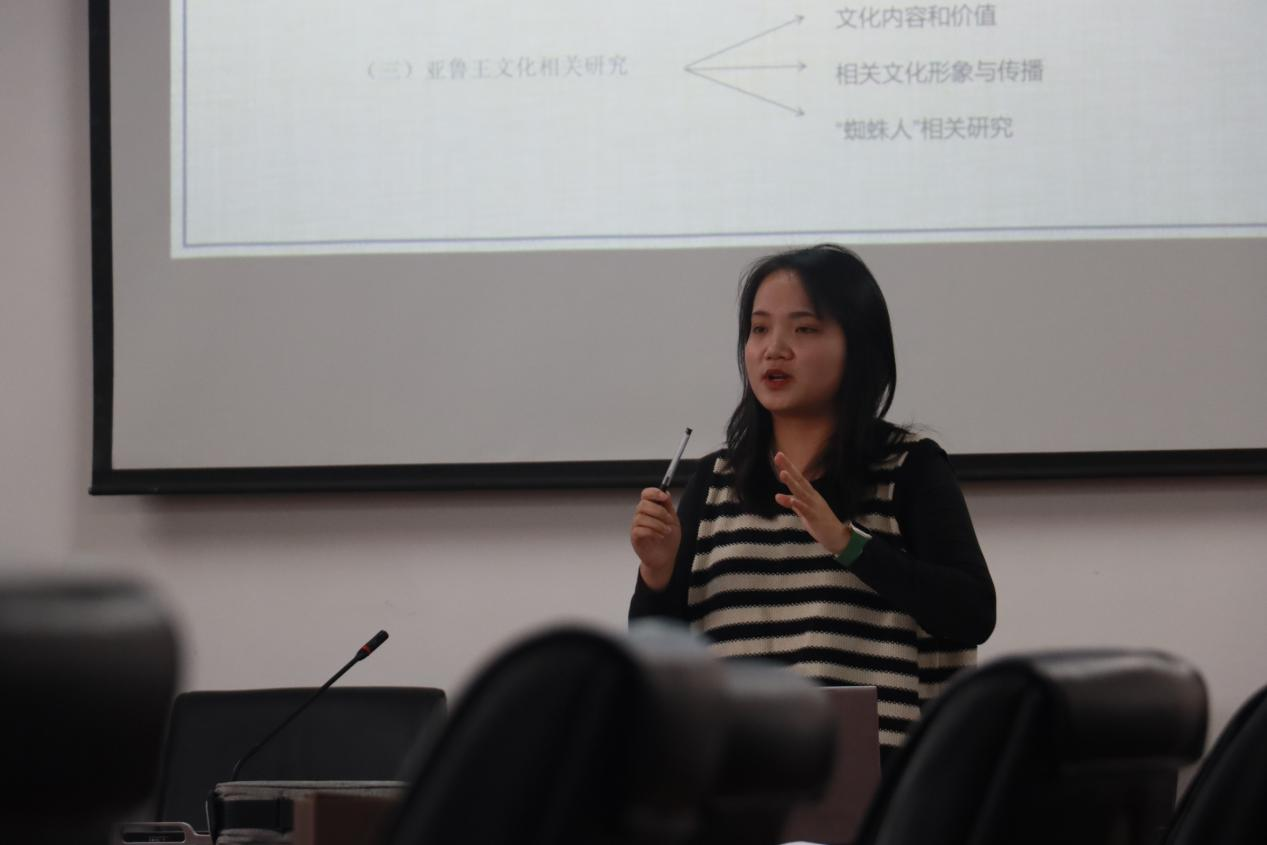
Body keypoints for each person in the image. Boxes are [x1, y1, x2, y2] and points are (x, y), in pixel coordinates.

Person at [628, 244, 995, 754]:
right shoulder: (713, 482)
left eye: (804, 329)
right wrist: (657, 574)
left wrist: (849, 544)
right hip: (739, 770)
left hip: (880, 779)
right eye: (759, 329)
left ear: (857, 346)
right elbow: (658, 663)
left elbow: (973, 613)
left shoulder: (908, 469)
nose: (774, 349)